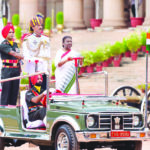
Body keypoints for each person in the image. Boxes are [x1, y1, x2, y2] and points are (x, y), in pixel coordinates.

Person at [22, 16, 51, 89]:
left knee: (44, 90)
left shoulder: (46, 39)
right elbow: (26, 55)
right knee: (34, 90)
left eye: (41, 25)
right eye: (38, 25)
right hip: (33, 67)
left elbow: (48, 54)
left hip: (43, 68)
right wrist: (34, 60)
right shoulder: (27, 39)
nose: (40, 27)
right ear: (33, 27)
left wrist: (48, 66)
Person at [0, 24, 24, 105]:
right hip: (7, 70)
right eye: (9, 32)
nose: (12, 33)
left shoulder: (15, 44)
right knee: (6, 92)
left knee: (14, 92)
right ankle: (4, 113)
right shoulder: (3, 45)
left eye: (12, 32)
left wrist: (20, 69)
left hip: (15, 70)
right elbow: (14, 54)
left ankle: (12, 112)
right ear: (5, 34)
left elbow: (18, 58)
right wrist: (23, 56)